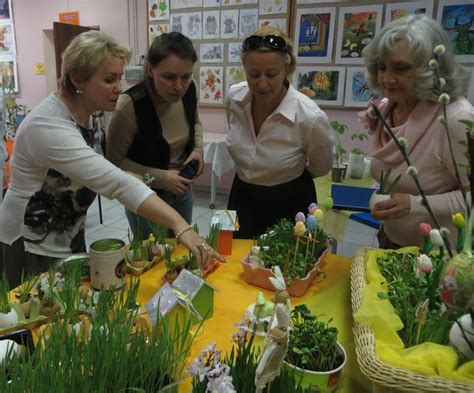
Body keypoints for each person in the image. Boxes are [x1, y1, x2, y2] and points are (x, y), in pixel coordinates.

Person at [0, 31, 219, 288]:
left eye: (119, 78)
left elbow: (100, 169)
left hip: (67, 233)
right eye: (109, 80)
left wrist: (141, 177)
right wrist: (181, 225)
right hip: (31, 242)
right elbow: (112, 180)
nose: (119, 88)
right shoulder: (48, 127)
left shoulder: (90, 113)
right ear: (78, 79)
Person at [363, 14, 474, 248]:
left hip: (441, 257)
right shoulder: (388, 107)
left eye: (401, 68)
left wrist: (415, 204)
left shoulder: (454, 119)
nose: (386, 78)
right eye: (382, 67)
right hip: (392, 243)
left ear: (431, 69)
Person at [226, 27, 334, 239]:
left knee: (284, 265)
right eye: (253, 74)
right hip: (241, 195)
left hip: (288, 201)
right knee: (234, 261)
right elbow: (234, 132)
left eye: (271, 74)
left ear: (288, 68)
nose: (262, 83)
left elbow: (321, 165)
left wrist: (285, 171)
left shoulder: (309, 117)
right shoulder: (235, 98)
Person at [107, 32, 203, 238]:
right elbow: (113, 161)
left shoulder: (191, 88)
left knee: (181, 251)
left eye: (185, 76)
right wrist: (161, 178)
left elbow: (195, 122)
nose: (179, 86)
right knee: (153, 259)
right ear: (151, 69)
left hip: (182, 190)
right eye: (169, 77)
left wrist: (197, 149)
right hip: (145, 196)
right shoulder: (129, 106)